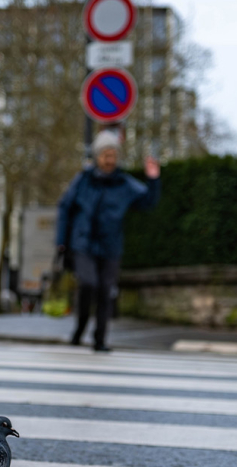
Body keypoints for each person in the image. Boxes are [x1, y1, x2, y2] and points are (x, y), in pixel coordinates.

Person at [56, 129, 161, 351]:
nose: (109, 159)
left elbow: (147, 202)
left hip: (111, 245)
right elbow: (65, 208)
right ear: (97, 156)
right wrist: (61, 241)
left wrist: (153, 179)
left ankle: (99, 339)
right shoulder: (83, 180)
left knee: (105, 291)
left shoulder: (124, 184)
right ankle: (80, 327)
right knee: (88, 283)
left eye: (113, 155)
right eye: (105, 155)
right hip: (83, 243)